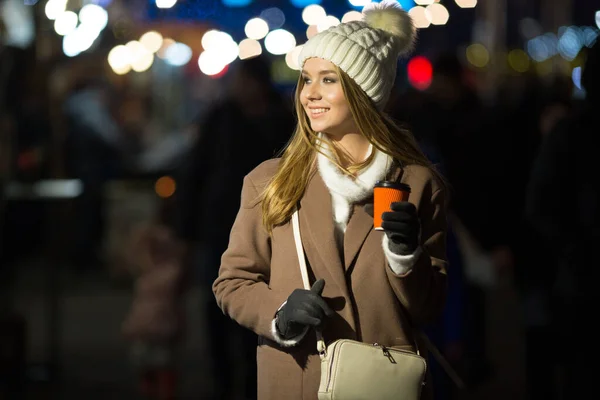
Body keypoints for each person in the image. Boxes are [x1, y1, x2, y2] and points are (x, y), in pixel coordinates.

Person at [213, 2, 449, 399]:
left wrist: (406, 257)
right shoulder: (270, 181)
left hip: (379, 384)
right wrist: (279, 314)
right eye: (306, 80)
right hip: (298, 380)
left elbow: (428, 308)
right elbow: (231, 282)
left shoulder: (417, 183)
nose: (310, 94)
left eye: (328, 80)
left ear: (362, 91)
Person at [524, 39, 599, 399]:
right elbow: (541, 207)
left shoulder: (569, 133)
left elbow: (540, 207)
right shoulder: (572, 133)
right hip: (582, 286)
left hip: (578, 285)